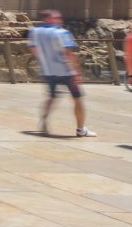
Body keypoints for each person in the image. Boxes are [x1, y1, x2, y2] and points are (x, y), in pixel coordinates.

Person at [28, 9, 96, 137]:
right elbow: (69, 54)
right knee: (78, 99)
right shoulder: (62, 33)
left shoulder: (35, 32)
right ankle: (81, 130)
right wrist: (77, 73)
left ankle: (44, 119)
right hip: (66, 72)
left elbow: (35, 51)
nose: (60, 20)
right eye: (57, 18)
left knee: (52, 97)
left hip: (48, 71)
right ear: (48, 19)